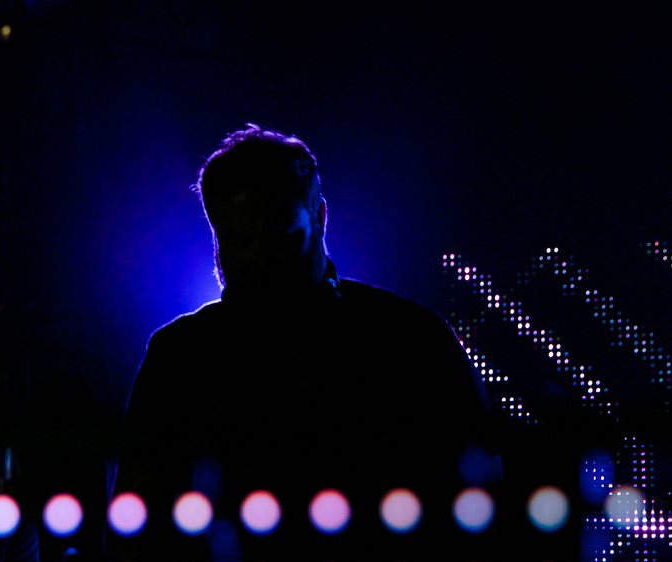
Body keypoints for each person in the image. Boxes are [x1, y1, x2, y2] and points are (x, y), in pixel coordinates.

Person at [110, 124, 502, 561]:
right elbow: (136, 530)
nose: (259, 261)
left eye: (281, 238)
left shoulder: (414, 339)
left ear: (320, 216)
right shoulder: (178, 357)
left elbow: (481, 505)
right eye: (238, 242)